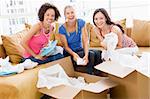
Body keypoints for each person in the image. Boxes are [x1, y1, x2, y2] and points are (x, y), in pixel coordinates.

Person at [59, 5, 102, 75]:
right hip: (70, 53)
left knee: (98, 53)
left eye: (72, 12)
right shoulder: (62, 29)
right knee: (91, 55)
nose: (70, 15)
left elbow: (85, 40)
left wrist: (86, 54)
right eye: (68, 13)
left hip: (79, 49)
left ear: (75, 13)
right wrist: (74, 54)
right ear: (65, 15)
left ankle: (97, 73)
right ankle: (89, 74)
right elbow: (66, 47)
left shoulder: (80, 23)